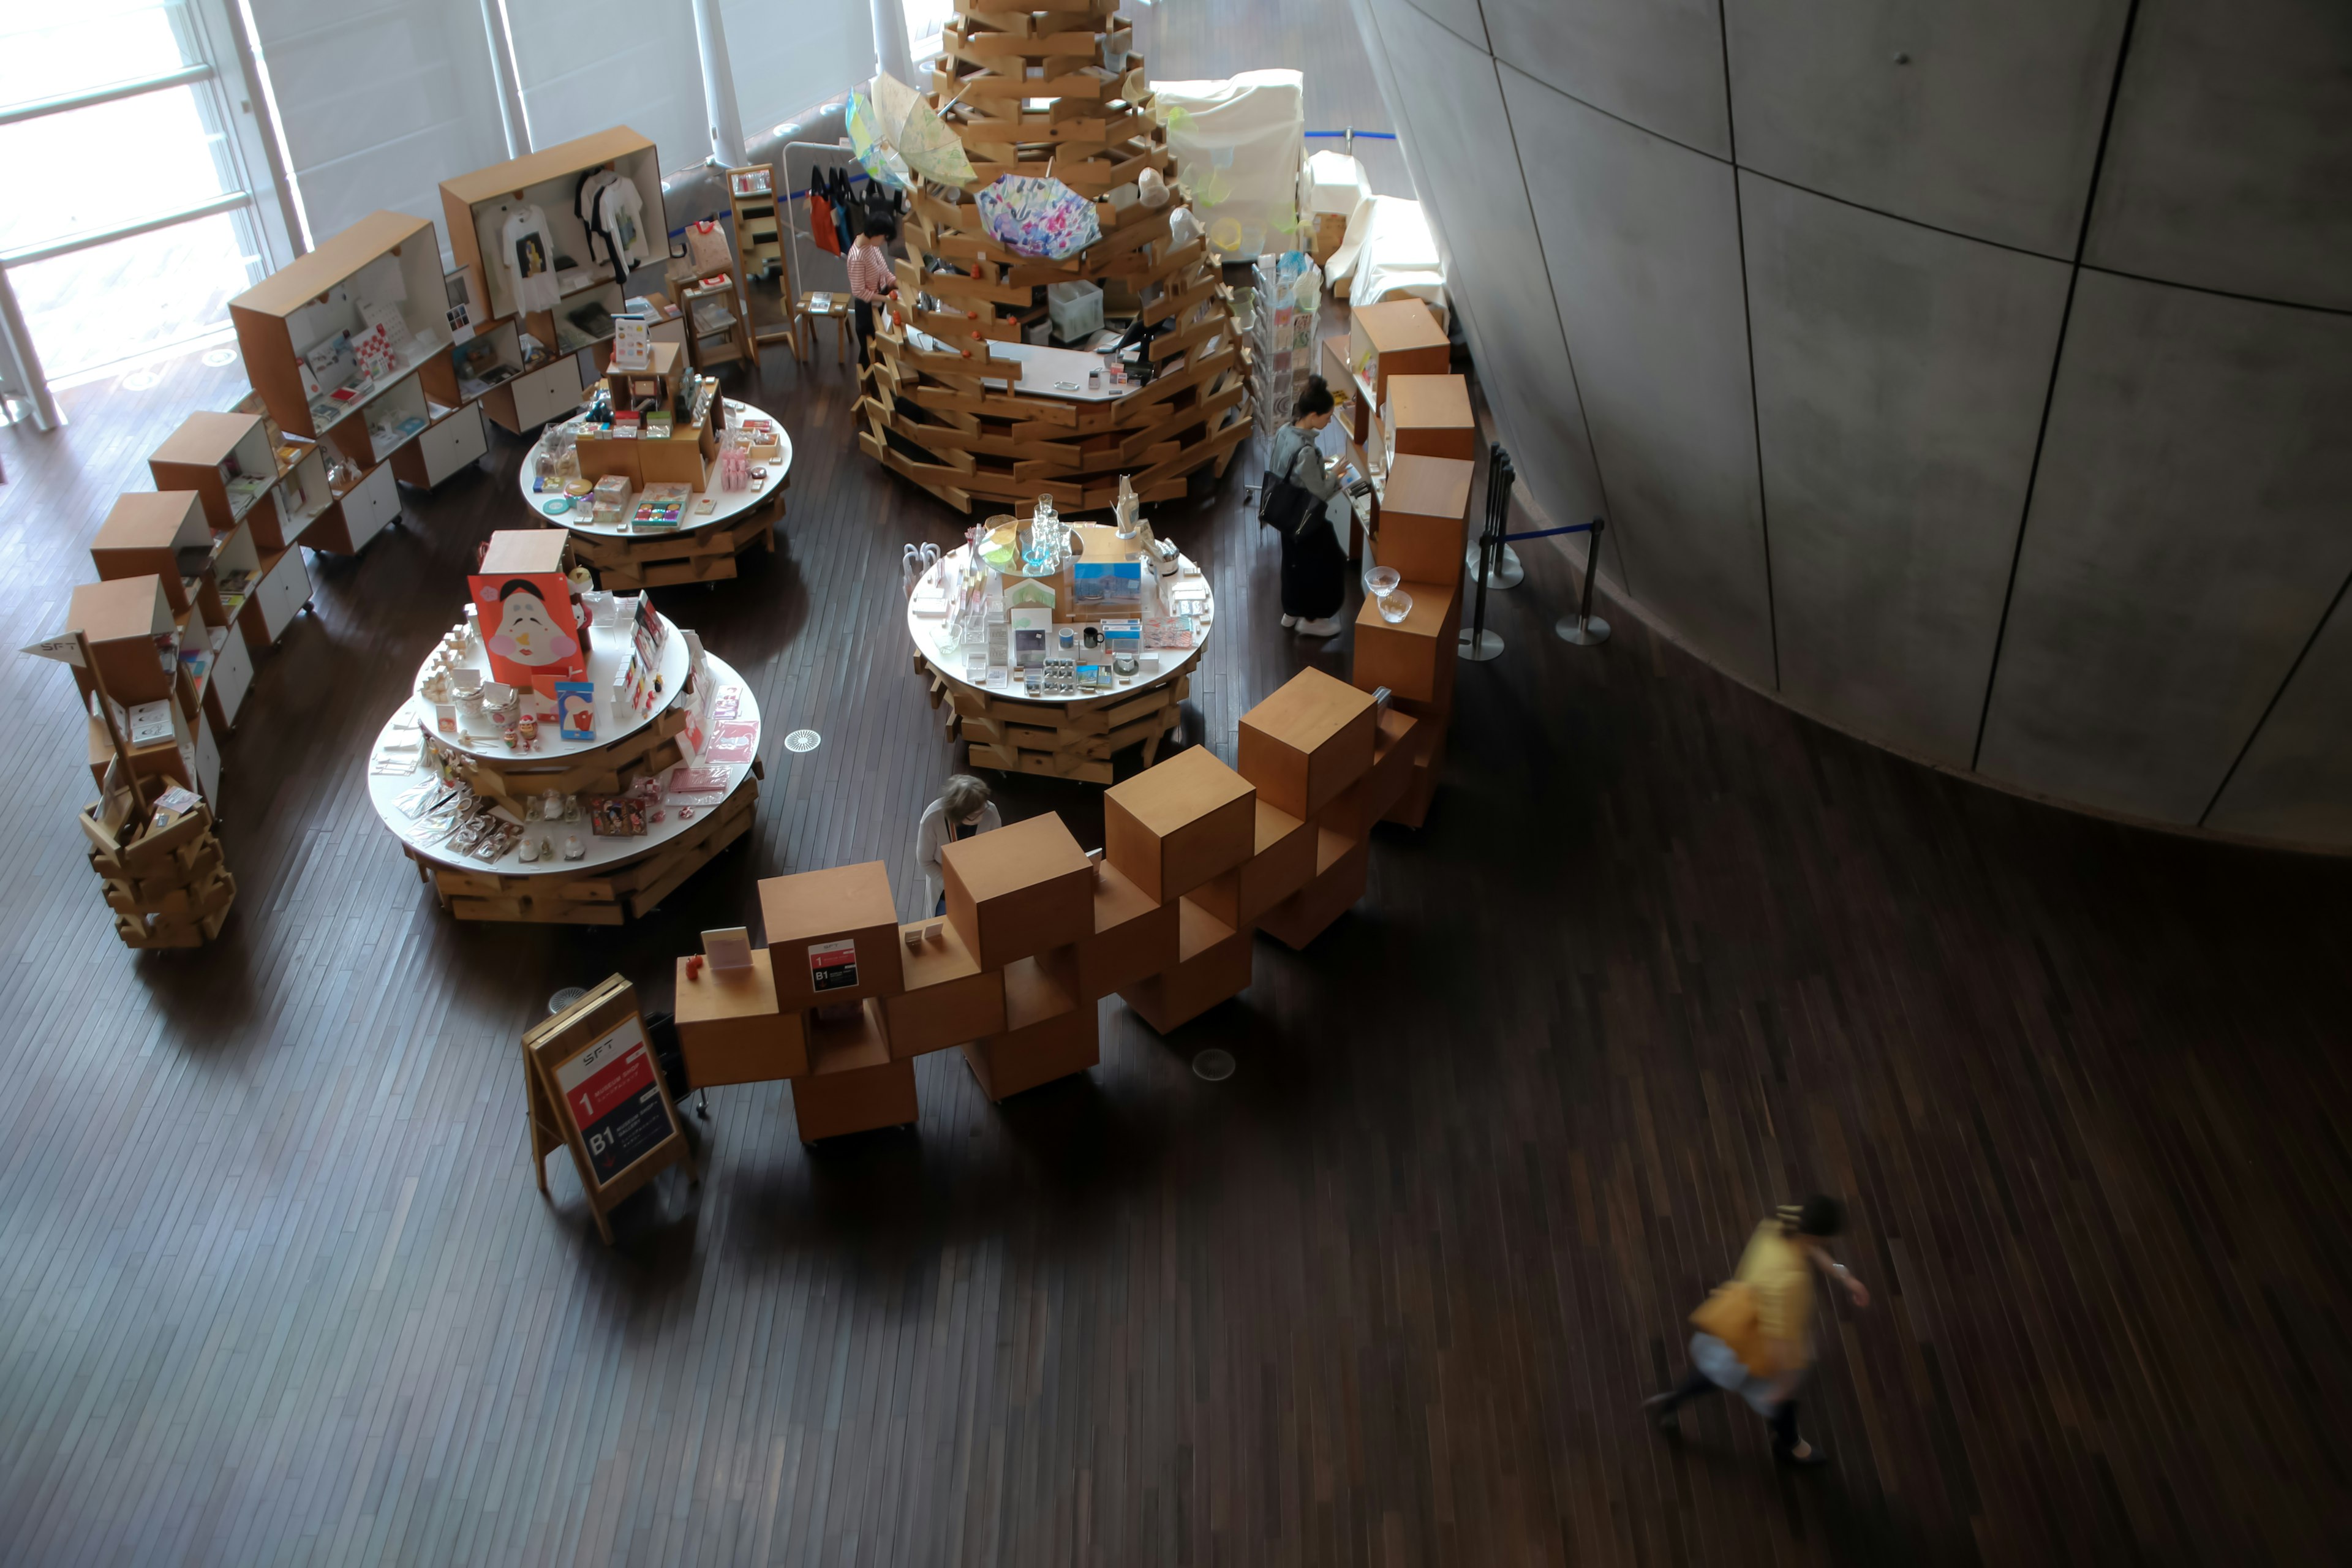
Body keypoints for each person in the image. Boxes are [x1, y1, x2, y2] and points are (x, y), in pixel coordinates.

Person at [1643, 1196, 1870, 1465]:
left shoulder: (1786, 1218)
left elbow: (1810, 1248)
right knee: (1783, 1400)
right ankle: (1790, 1446)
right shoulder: (1789, 1279)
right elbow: (1778, 1342)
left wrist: (1845, 1277)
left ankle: (1671, 1402)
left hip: (1736, 1319)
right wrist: (1784, 1385)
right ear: (1820, 1235)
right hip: (1757, 1341)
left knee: (1716, 1371)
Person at [1264, 377, 1351, 636]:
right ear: (1313, 415)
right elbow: (1321, 492)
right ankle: (1313, 619)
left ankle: (1291, 612)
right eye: (1328, 416)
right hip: (1303, 517)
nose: (1329, 421)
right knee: (1328, 562)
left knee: (1292, 562)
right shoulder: (1307, 452)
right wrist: (1335, 474)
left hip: (1283, 512)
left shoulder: (1284, 432)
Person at [917, 774, 1001, 916]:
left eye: (983, 807)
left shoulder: (990, 812)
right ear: (958, 815)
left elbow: (995, 852)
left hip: (978, 886)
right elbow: (925, 861)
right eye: (976, 814)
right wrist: (951, 887)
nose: (982, 816)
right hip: (944, 889)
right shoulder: (932, 819)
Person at [846, 213, 899, 367]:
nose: (883, 242)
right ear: (874, 234)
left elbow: (885, 272)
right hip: (867, 309)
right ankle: (868, 381)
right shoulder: (857, 257)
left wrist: (897, 283)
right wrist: (885, 299)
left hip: (880, 298)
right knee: (870, 350)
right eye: (883, 238)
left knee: (883, 343)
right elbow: (859, 292)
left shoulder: (872, 246)